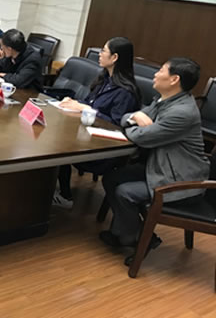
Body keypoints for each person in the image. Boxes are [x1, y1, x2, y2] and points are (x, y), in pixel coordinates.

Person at [100, 57, 210, 265]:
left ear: (174, 79)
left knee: (125, 192)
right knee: (112, 178)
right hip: (161, 167)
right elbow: (128, 117)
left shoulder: (182, 112)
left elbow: (142, 137)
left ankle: (139, 238)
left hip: (181, 178)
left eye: (161, 71)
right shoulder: (165, 100)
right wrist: (135, 118)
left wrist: (134, 123)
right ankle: (128, 232)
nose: (155, 74)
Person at [53, 37, 141, 208]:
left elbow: (117, 124)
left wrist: (85, 108)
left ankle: (65, 197)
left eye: (103, 51)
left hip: (104, 148)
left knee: (58, 150)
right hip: (86, 134)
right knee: (55, 141)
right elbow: (89, 102)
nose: (99, 54)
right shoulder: (104, 79)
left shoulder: (126, 91)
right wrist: (74, 102)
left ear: (114, 57)